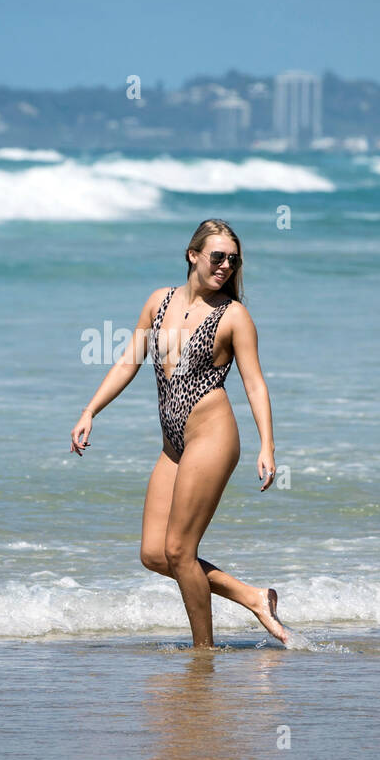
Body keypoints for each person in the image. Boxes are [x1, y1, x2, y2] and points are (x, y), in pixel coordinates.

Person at [71, 219, 288, 648]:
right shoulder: (159, 301)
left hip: (212, 438)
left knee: (179, 551)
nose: (225, 265)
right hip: (173, 445)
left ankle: (203, 653)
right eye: (217, 256)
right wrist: (90, 410)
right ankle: (253, 596)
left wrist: (268, 444)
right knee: (154, 554)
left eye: (233, 259)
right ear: (193, 255)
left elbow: (255, 384)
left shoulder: (234, 316)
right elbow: (128, 361)